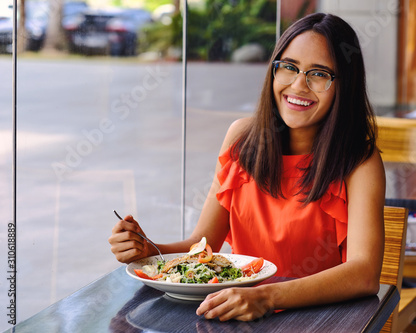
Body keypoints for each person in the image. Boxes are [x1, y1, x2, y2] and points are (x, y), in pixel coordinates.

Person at [109, 12, 385, 322]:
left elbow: (364, 273)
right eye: (289, 67)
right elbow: (203, 245)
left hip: (321, 320)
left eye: (318, 74)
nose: (298, 85)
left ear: (343, 84)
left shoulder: (360, 161)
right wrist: (149, 251)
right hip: (237, 317)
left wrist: (266, 297)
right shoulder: (241, 138)